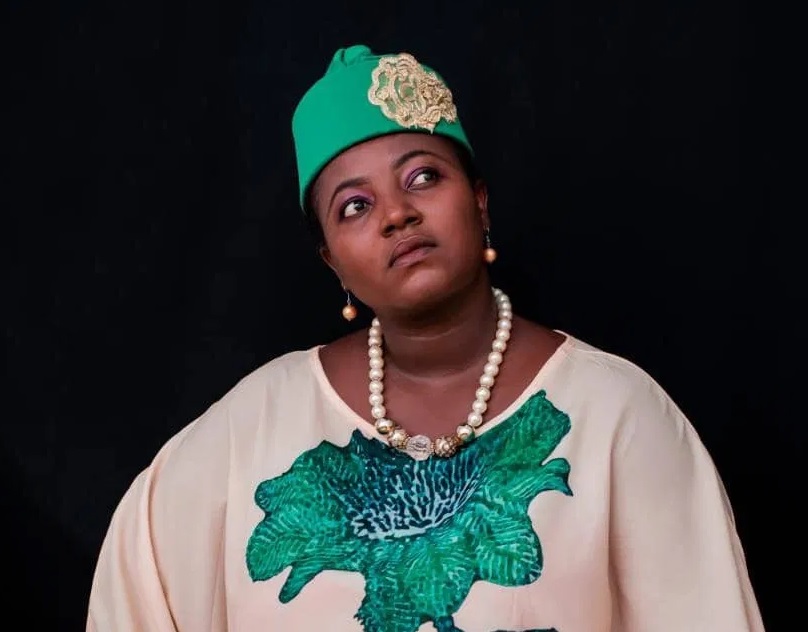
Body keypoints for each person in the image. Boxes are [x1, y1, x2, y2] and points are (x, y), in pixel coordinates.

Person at [86, 44, 765, 632]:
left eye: (423, 177)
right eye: (355, 206)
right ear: (331, 260)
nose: (397, 214)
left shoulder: (617, 416)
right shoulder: (248, 431)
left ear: (479, 201)